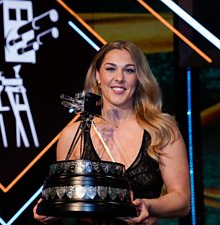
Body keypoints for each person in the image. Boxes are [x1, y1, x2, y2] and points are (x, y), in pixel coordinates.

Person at [33, 40, 190, 224]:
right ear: (98, 76)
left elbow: (182, 201)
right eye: (110, 69)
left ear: (139, 77)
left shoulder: (161, 130)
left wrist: (148, 206)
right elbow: (68, 199)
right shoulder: (71, 135)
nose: (119, 78)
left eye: (129, 70)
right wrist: (51, 209)